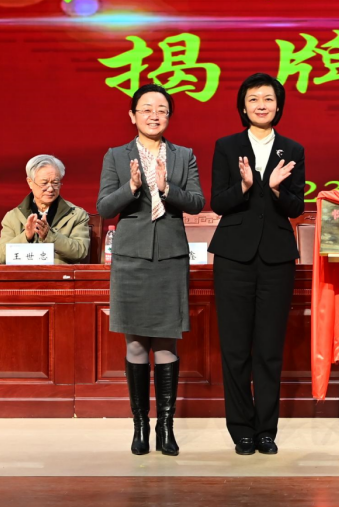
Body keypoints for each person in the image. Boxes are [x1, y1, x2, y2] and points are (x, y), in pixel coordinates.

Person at [98, 83, 204, 457]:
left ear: (169, 116)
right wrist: (131, 186)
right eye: (146, 109)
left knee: (166, 342)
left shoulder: (183, 156)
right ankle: (140, 426)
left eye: (161, 109)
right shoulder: (116, 155)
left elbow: (197, 202)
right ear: (133, 116)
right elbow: (104, 207)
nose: (154, 115)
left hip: (171, 258)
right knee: (136, 343)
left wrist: (167, 187)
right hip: (131, 259)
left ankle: (166, 428)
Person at [208, 73, 305, 456]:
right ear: (243, 107)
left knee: (269, 349)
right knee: (235, 348)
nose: (261, 105)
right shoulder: (227, 146)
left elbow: (296, 208)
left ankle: (266, 430)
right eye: (253, 99)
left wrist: (276, 189)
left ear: (278, 106)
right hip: (234, 257)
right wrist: (246, 186)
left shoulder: (292, 149)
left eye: (268, 99)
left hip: (277, 258)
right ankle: (241, 430)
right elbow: (218, 202)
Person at [0, 154, 90, 265]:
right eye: (44, 183)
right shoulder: (13, 216)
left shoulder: (76, 215)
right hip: (26, 275)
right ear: (30, 182)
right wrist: (26, 236)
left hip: (60, 275)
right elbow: (1, 256)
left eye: (55, 183)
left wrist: (50, 236)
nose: (50, 189)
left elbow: (80, 252)